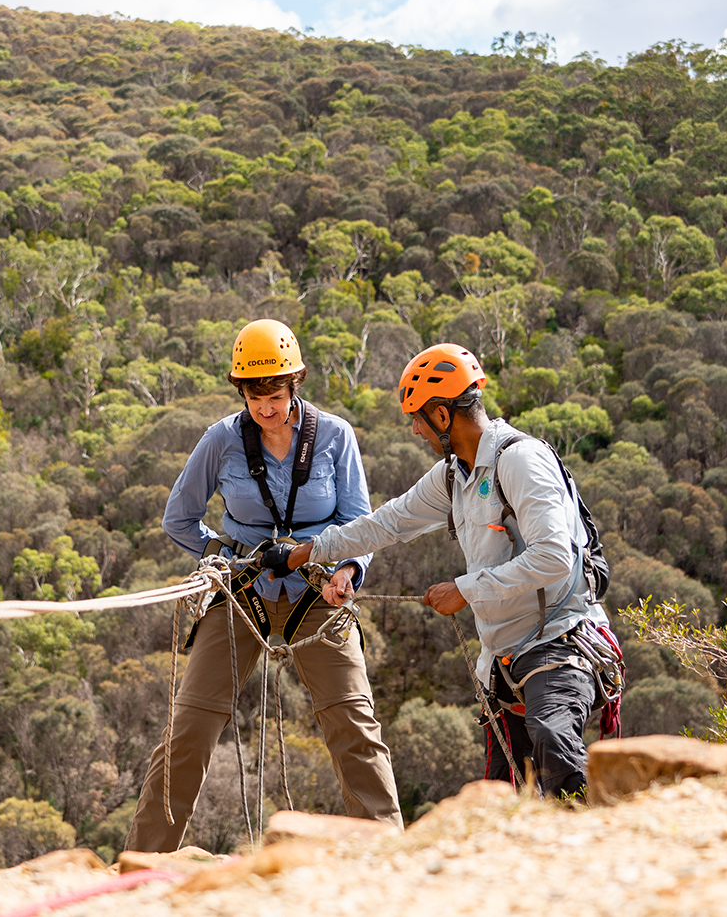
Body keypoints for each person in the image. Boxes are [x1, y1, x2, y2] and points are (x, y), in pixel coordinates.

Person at [272, 343, 612, 798]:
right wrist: (303, 554)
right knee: (502, 799)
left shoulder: (520, 461)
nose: (415, 430)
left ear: (443, 415)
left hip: (559, 642)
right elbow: (387, 523)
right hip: (507, 664)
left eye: (417, 417)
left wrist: (466, 590)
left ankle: (592, 852)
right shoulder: (455, 475)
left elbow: (555, 556)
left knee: (555, 745)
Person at [123, 319, 402, 851]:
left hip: (317, 593)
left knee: (354, 726)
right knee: (189, 731)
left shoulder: (335, 436)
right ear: (241, 391)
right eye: (254, 396)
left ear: (295, 383)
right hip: (241, 593)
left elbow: (359, 523)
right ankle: (143, 864)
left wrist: (347, 572)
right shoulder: (222, 441)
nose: (266, 408)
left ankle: (387, 857)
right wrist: (224, 556)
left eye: (275, 394)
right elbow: (178, 519)